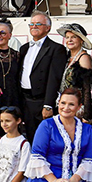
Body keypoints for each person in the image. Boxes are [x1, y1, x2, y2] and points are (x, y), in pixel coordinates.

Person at [18, 12, 67, 140]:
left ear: (48, 28)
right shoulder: (23, 48)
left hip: (42, 102)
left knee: (45, 139)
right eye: (32, 24)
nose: (34, 26)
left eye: (38, 24)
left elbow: (54, 79)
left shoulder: (56, 49)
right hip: (25, 101)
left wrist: (48, 105)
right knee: (29, 137)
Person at [57, 23, 92, 121]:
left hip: (78, 108)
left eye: (73, 37)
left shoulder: (84, 58)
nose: (69, 40)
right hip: (65, 107)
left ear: (81, 40)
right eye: (67, 37)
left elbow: (87, 88)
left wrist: (86, 114)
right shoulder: (67, 57)